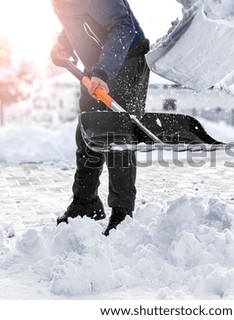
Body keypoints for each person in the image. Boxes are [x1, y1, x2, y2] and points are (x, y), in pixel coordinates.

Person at [51, 0, 150, 236]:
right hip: (96, 65)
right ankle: (86, 204)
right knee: (87, 131)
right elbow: (79, 18)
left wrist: (102, 71)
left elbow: (123, 27)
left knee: (118, 138)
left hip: (126, 60)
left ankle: (122, 215)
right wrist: (64, 45)